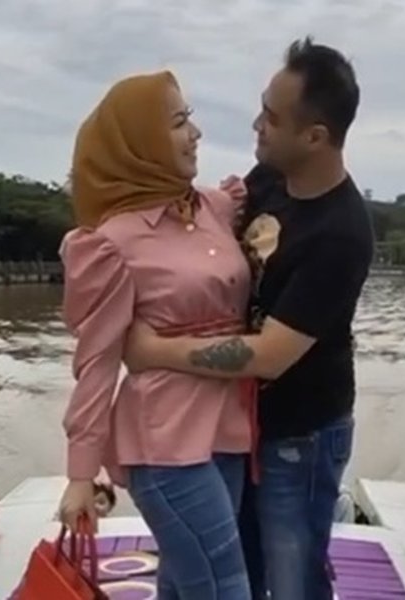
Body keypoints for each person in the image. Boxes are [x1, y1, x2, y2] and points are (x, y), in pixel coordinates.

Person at [123, 38, 374, 600]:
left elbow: (268, 355)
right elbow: (194, 221)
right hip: (235, 420)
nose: (256, 125)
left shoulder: (342, 234)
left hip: (300, 434)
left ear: (315, 137)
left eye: (272, 117)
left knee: (292, 577)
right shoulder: (266, 181)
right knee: (235, 564)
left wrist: (153, 350)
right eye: (262, 107)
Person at [56, 71, 254, 599]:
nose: (196, 133)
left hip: (229, 428)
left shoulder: (215, 207)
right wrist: (81, 475)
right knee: (222, 583)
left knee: (181, 581)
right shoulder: (110, 244)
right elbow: (97, 362)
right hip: (162, 440)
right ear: (139, 142)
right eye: (178, 122)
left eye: (190, 118)